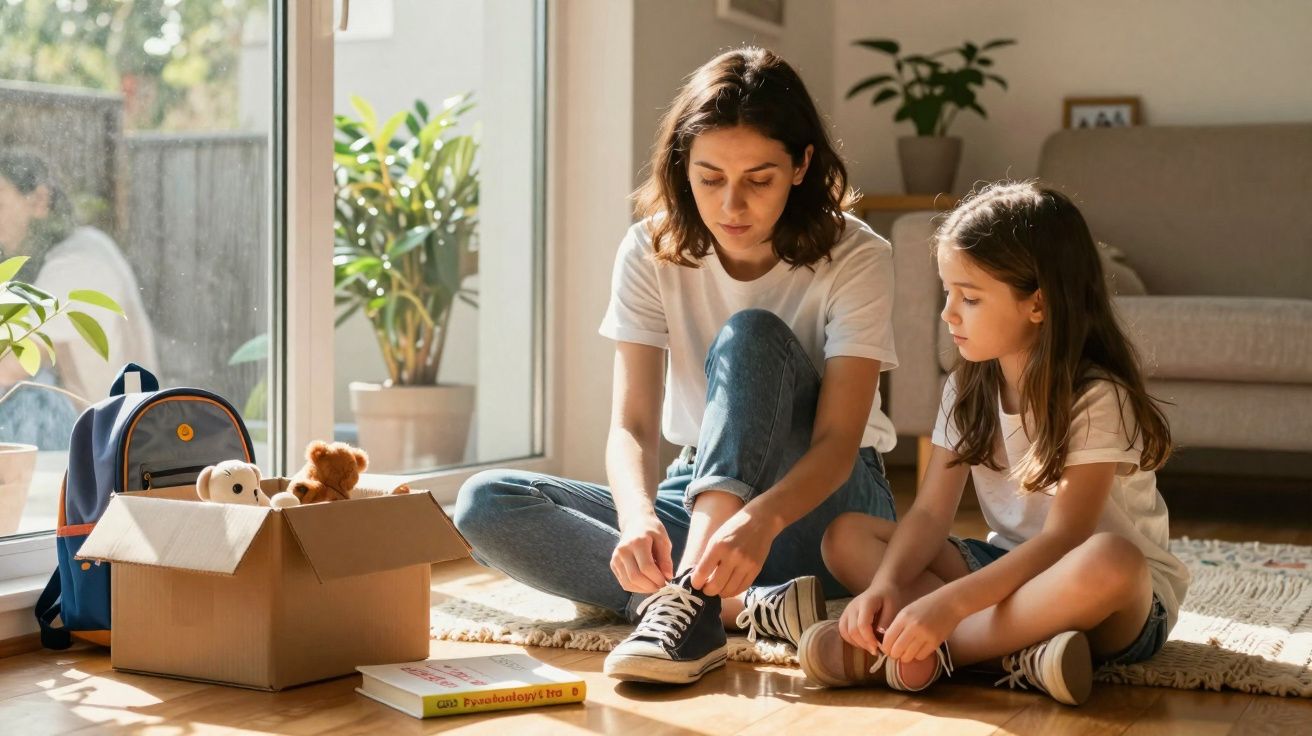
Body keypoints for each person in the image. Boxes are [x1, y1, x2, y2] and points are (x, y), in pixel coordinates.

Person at [454, 47, 900, 685]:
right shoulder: (649, 248)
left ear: (802, 165)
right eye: (710, 177)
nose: (732, 205)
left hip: (824, 505)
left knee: (750, 336)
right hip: (699, 491)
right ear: (682, 165)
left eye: (760, 179)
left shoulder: (856, 254)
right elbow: (632, 423)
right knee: (484, 503)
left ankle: (685, 604)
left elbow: (836, 443)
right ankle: (728, 606)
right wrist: (636, 516)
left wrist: (759, 519)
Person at [798, 181, 1188, 706]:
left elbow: (1065, 539)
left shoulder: (1097, 397)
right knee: (844, 537)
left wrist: (949, 607)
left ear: (1038, 305)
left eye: (971, 297)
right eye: (948, 293)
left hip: (1115, 601)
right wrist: (886, 587)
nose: (948, 313)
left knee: (1112, 559)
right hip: (1007, 568)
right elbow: (931, 515)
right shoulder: (966, 387)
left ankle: (939, 650)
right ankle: (1020, 658)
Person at [0, 151, 157, 447]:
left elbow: (12, 363)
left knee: (30, 394)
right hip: (104, 435)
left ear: (39, 201)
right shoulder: (84, 246)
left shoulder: (78, 263)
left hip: (112, 444)